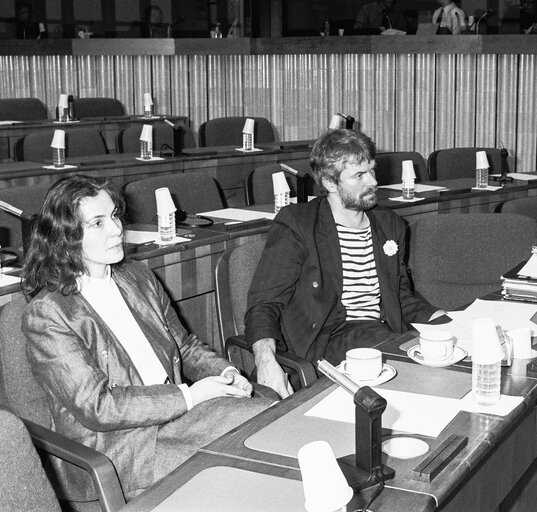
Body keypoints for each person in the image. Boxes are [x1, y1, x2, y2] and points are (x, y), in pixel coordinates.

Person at [21, 176, 273, 500]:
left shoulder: (136, 275)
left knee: (271, 422)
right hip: (122, 448)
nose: (115, 229)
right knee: (244, 472)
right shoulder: (49, 314)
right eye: (97, 223)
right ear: (66, 237)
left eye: (114, 216)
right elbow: (100, 408)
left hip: (180, 414)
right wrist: (191, 396)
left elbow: (185, 346)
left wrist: (225, 373)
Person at [245, 129, 444, 398]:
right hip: (328, 339)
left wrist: (441, 321)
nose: (373, 181)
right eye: (359, 175)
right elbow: (264, 302)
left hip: (380, 333)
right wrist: (265, 360)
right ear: (329, 182)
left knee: (439, 359)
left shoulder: (389, 225)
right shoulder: (298, 224)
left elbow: (399, 295)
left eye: (371, 170)